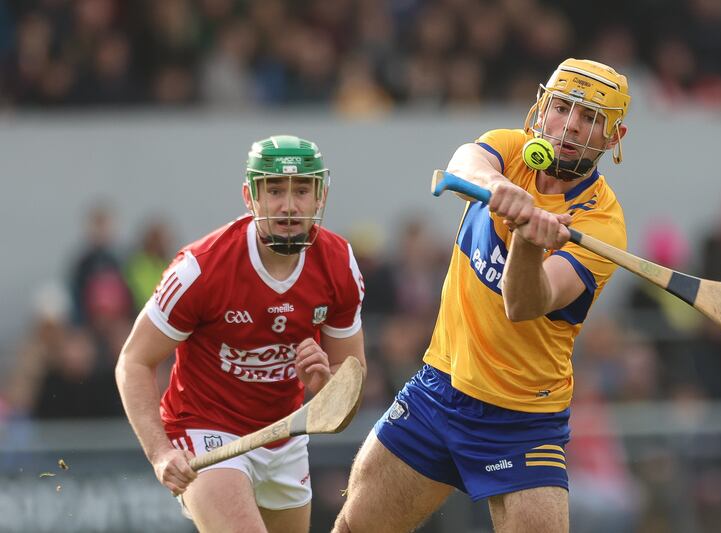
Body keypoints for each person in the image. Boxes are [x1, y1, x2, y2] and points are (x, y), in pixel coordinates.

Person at [334, 58, 630, 533]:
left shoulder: (602, 226)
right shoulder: (510, 149)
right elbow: (462, 164)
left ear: (613, 139)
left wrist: (528, 243)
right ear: (541, 107)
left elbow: (524, 304)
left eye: (591, 119)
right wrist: (501, 189)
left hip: (523, 418)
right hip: (440, 389)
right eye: (562, 107)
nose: (570, 125)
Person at [116, 135, 366, 533]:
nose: (288, 205)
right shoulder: (200, 269)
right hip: (206, 431)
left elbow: (350, 379)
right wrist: (160, 452)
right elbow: (134, 360)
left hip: (286, 437)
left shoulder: (339, 264)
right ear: (250, 197)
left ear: (321, 197)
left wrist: (325, 386)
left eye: (302, 190)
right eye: (275, 190)